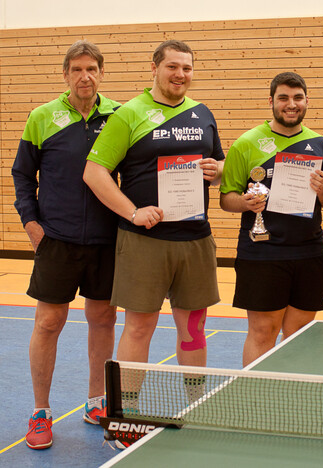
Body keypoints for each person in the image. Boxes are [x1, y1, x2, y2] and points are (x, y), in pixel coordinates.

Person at [83, 40, 223, 378]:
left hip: (195, 239)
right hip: (144, 240)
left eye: (186, 68)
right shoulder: (129, 113)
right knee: (139, 327)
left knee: (193, 328)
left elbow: (220, 165)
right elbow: (94, 172)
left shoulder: (203, 113)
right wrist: (133, 212)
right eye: (172, 66)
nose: (180, 74)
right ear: (155, 68)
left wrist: (217, 170)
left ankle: (195, 404)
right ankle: (127, 408)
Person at [11, 40, 120, 450]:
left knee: (103, 319)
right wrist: (31, 224)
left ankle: (96, 402)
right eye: (76, 69)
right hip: (56, 239)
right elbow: (23, 175)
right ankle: (40, 412)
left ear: (102, 73)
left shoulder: (120, 115)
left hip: (107, 241)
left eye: (91, 69)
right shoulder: (42, 117)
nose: (84, 76)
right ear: (65, 74)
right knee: (48, 322)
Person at [220, 72, 323, 366]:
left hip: (309, 254)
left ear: (307, 101)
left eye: (298, 98)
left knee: (301, 334)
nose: (291, 104)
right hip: (261, 253)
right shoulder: (246, 143)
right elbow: (226, 199)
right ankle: (255, 394)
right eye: (283, 98)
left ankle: (293, 394)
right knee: (262, 332)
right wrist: (245, 202)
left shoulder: (321, 145)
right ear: (271, 101)